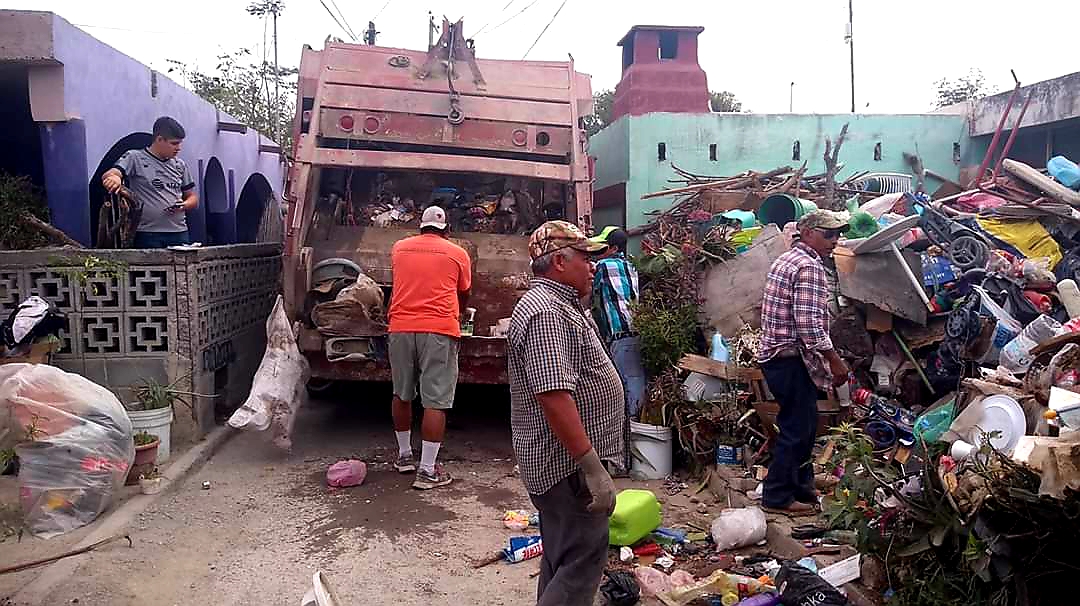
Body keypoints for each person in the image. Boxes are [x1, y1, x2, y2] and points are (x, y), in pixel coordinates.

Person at [508, 220, 624, 606]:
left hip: (565, 465)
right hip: (566, 467)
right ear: (559, 260)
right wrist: (592, 467)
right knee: (581, 563)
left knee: (562, 556)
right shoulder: (546, 312)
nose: (593, 265)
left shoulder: (562, 304)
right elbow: (553, 395)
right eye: (585, 257)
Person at [757, 210, 850, 515]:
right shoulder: (809, 267)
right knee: (798, 429)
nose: (834, 241)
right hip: (790, 359)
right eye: (828, 234)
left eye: (837, 235)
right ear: (808, 232)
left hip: (777, 358)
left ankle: (801, 487)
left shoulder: (786, 259)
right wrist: (834, 359)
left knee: (803, 426)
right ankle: (777, 497)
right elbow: (809, 325)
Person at [387, 205, 472, 490]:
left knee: (401, 393)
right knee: (435, 400)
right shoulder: (457, 253)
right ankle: (427, 471)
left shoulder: (399, 248)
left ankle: (403, 457)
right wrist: (460, 312)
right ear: (447, 229)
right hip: (439, 329)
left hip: (400, 327)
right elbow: (464, 291)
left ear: (420, 226)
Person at [589, 226, 646, 474]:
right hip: (636, 330)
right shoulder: (631, 266)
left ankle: (630, 444)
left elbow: (589, 294)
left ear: (612, 248)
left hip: (621, 333)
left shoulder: (603, 267)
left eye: (603, 249)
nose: (598, 254)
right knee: (633, 382)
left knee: (627, 386)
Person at [102, 117, 198, 248]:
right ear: (159, 139)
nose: (178, 148)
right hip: (147, 233)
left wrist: (184, 205)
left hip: (179, 232)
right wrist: (114, 178)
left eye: (179, 144)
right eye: (174, 143)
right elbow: (112, 173)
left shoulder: (180, 165)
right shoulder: (135, 157)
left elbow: (192, 197)